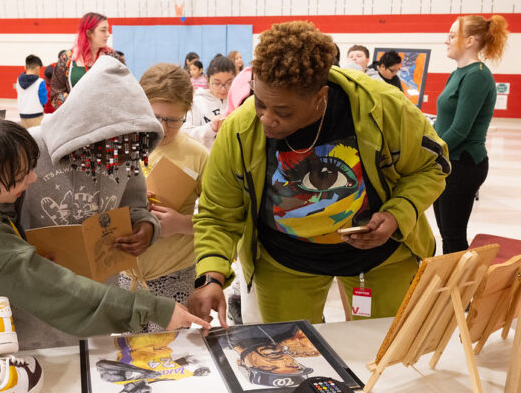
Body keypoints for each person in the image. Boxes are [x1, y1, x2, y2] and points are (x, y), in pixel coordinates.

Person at [187, 21, 450, 327]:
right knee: (291, 359)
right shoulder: (240, 129)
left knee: (384, 354)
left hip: (380, 260)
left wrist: (397, 214)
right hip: (284, 263)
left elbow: (432, 167)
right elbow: (218, 212)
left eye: (283, 112)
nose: (266, 120)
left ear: (320, 97)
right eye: (260, 103)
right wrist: (211, 275)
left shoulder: (381, 107)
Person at [0, 93, 209, 359]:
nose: (32, 180)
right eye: (19, 179)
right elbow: (62, 293)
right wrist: (154, 309)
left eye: (31, 168)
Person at [19, 54, 166, 347]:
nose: (122, 160)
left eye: (131, 152)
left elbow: (135, 205)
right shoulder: (29, 149)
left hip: (96, 303)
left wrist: (146, 228)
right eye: (113, 149)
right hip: (36, 307)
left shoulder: (128, 153)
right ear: (86, 134)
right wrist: (20, 256)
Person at [117, 63, 209, 333]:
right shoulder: (121, 149)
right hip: (126, 276)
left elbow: (221, 220)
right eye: (155, 116)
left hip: (175, 275)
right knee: (132, 357)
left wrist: (182, 223)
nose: (163, 128)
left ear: (187, 113)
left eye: (174, 120)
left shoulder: (198, 155)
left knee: (173, 360)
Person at [433, 15, 509, 254]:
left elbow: (460, 130)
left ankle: (458, 290)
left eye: (453, 35)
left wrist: (428, 154)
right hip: (448, 162)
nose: (446, 40)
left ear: (470, 41)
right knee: (447, 235)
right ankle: (451, 287)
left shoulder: (476, 75)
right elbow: (444, 123)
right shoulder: (459, 72)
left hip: (462, 164)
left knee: (453, 238)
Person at [50, 12, 124, 109]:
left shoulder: (113, 58)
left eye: (108, 30)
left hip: (106, 118)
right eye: (103, 30)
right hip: (76, 119)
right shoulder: (67, 59)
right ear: (89, 33)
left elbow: (124, 88)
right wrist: (74, 103)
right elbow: (56, 92)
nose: (108, 34)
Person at [183, 55, 236, 150]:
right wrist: (211, 128)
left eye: (229, 83)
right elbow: (186, 134)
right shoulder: (197, 102)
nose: (223, 88)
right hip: (206, 160)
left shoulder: (239, 101)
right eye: (217, 83)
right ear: (207, 79)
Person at [15, 54, 48, 128]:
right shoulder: (40, 82)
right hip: (36, 114)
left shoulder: (18, 80)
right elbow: (43, 100)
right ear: (37, 68)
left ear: (25, 67)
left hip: (22, 115)